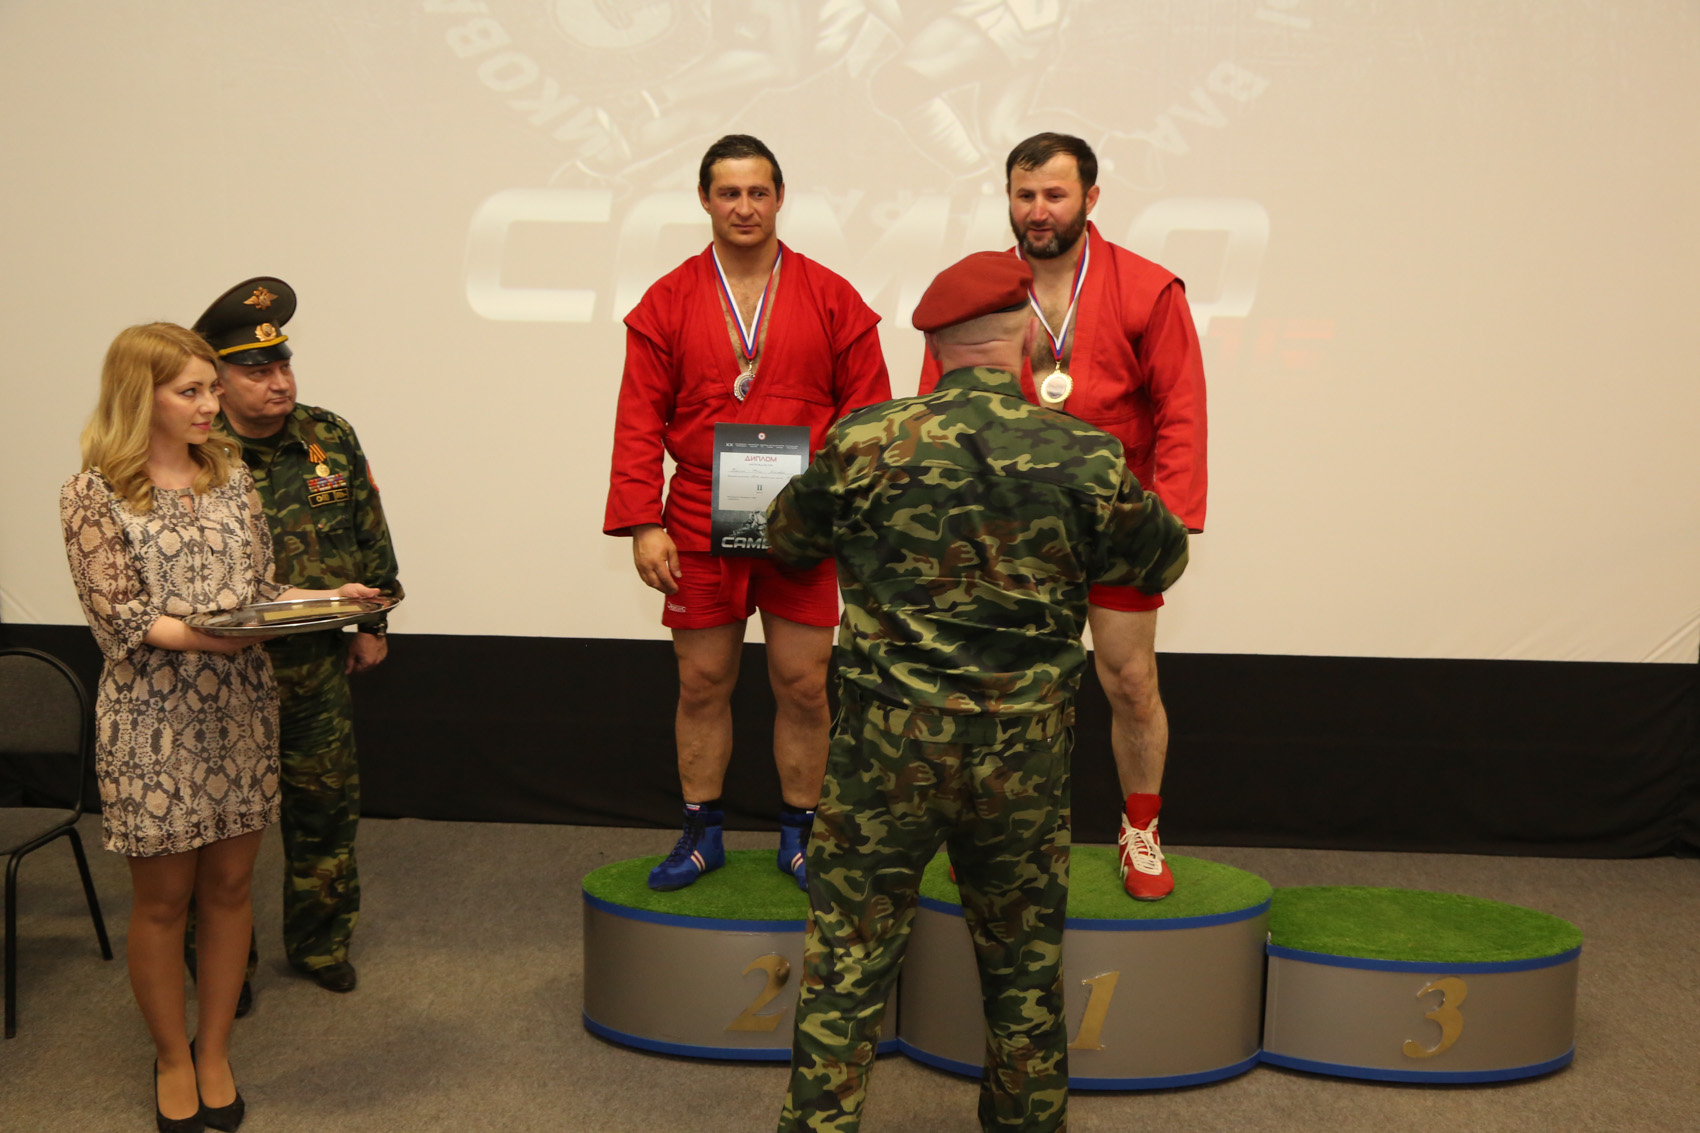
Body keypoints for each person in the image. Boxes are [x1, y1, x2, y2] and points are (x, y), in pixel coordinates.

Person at [768, 252, 1190, 1131]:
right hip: (1022, 754)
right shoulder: (1086, 454)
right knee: (1023, 967)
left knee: (848, 957)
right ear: (1028, 331)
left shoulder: (863, 440)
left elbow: (787, 540)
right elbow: (1159, 558)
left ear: (935, 345)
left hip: (886, 750)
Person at [60, 322, 378, 1131]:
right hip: (152, 720)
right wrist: (222, 638)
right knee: (165, 902)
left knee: (232, 889)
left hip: (240, 709)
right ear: (142, 396)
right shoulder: (92, 492)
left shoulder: (231, 478)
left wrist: (328, 600)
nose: (211, 405)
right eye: (192, 391)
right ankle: (171, 1057)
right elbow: (120, 617)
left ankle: (213, 1050)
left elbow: (258, 588)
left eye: (211, 388)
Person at [918, 131, 1208, 900]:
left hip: (1114, 522)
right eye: (1025, 195)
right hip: (1005, 527)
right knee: (993, 683)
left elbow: (1181, 409)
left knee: (1131, 681)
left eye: (1054, 194)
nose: (1038, 210)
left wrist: (1168, 524)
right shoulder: (978, 291)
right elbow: (940, 407)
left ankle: (1141, 830)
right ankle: (982, 832)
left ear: (1090, 198)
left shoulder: (1148, 289)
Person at [604, 134, 891, 891]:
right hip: (699, 515)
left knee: (804, 682)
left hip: (804, 519)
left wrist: (845, 512)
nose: (743, 207)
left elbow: (869, 418)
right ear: (704, 199)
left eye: (757, 192)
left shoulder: (832, 297)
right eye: (728, 193)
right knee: (702, 680)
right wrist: (643, 521)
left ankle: (802, 835)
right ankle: (702, 834)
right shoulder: (667, 301)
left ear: (780, 198)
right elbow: (638, 419)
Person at [188, 277, 404, 998]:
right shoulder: (197, 451)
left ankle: (320, 944)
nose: (279, 382)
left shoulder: (327, 435)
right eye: (258, 371)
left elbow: (367, 528)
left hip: (314, 663)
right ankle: (226, 965)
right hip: (221, 670)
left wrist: (372, 620)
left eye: (282, 365)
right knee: (221, 824)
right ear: (218, 379)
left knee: (325, 808)